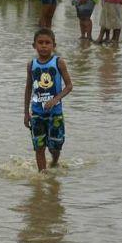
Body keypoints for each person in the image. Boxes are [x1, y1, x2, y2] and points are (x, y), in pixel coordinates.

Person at [23, 28, 73, 172]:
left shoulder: (58, 63)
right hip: (37, 113)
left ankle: (55, 160)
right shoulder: (31, 65)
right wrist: (26, 113)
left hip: (55, 113)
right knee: (39, 146)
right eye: (40, 43)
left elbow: (69, 86)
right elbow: (28, 89)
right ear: (34, 45)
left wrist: (55, 99)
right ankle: (42, 176)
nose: (44, 46)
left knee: (54, 146)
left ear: (54, 45)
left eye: (47, 43)